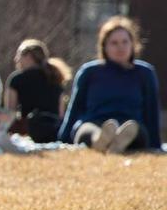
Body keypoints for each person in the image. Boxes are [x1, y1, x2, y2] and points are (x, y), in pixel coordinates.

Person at [58, 16, 162, 154]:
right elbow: (75, 108)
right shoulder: (89, 72)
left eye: (125, 42)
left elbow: (152, 110)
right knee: (86, 131)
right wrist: (62, 140)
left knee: (137, 131)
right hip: (94, 122)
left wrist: (155, 144)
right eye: (114, 43)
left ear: (133, 44)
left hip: (130, 124)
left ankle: (120, 141)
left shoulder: (145, 73)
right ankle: (100, 141)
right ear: (104, 46)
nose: (120, 47)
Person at [5, 39, 71, 143]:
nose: (16, 59)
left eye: (18, 56)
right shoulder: (55, 76)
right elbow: (61, 114)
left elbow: (9, 112)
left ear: (28, 57)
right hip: (55, 130)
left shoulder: (16, 79)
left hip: (29, 130)